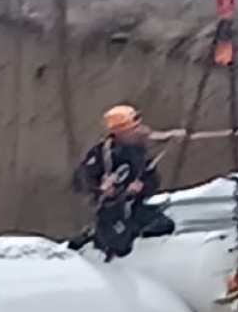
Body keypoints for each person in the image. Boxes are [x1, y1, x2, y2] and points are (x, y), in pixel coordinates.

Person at [69, 105, 174, 259]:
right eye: (132, 129)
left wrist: (142, 187)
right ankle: (95, 236)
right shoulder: (102, 154)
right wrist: (100, 188)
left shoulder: (140, 152)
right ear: (119, 132)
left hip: (134, 208)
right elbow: (79, 180)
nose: (137, 132)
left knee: (164, 225)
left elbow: (153, 180)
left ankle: (137, 245)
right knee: (120, 245)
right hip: (111, 211)